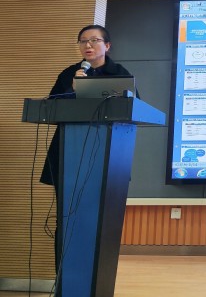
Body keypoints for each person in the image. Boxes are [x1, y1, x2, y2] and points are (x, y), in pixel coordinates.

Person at [40, 24, 134, 272]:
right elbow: (51, 107)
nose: (88, 45)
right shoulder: (70, 74)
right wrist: (73, 89)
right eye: (83, 41)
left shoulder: (119, 74)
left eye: (94, 40)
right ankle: (65, 278)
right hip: (68, 154)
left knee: (99, 219)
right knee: (68, 217)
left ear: (107, 45)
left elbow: (133, 108)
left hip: (107, 156)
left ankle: (94, 277)